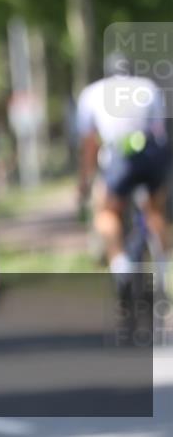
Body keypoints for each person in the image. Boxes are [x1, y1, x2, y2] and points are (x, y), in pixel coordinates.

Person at [76, 52, 170, 277]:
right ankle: (162, 262)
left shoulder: (92, 93)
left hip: (119, 160)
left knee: (106, 212)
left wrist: (85, 181)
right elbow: (160, 132)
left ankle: (120, 264)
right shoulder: (148, 87)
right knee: (155, 209)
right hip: (152, 158)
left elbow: (89, 144)